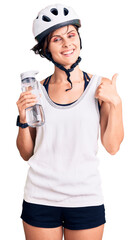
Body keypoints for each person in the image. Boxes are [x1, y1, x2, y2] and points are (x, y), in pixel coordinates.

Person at [16, 3, 124, 240]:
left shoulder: (101, 86)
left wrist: (116, 104)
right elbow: (26, 154)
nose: (67, 44)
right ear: (45, 48)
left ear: (79, 38)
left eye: (71, 35)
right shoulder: (36, 91)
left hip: (86, 198)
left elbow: (112, 147)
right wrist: (23, 119)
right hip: (39, 198)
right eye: (57, 39)